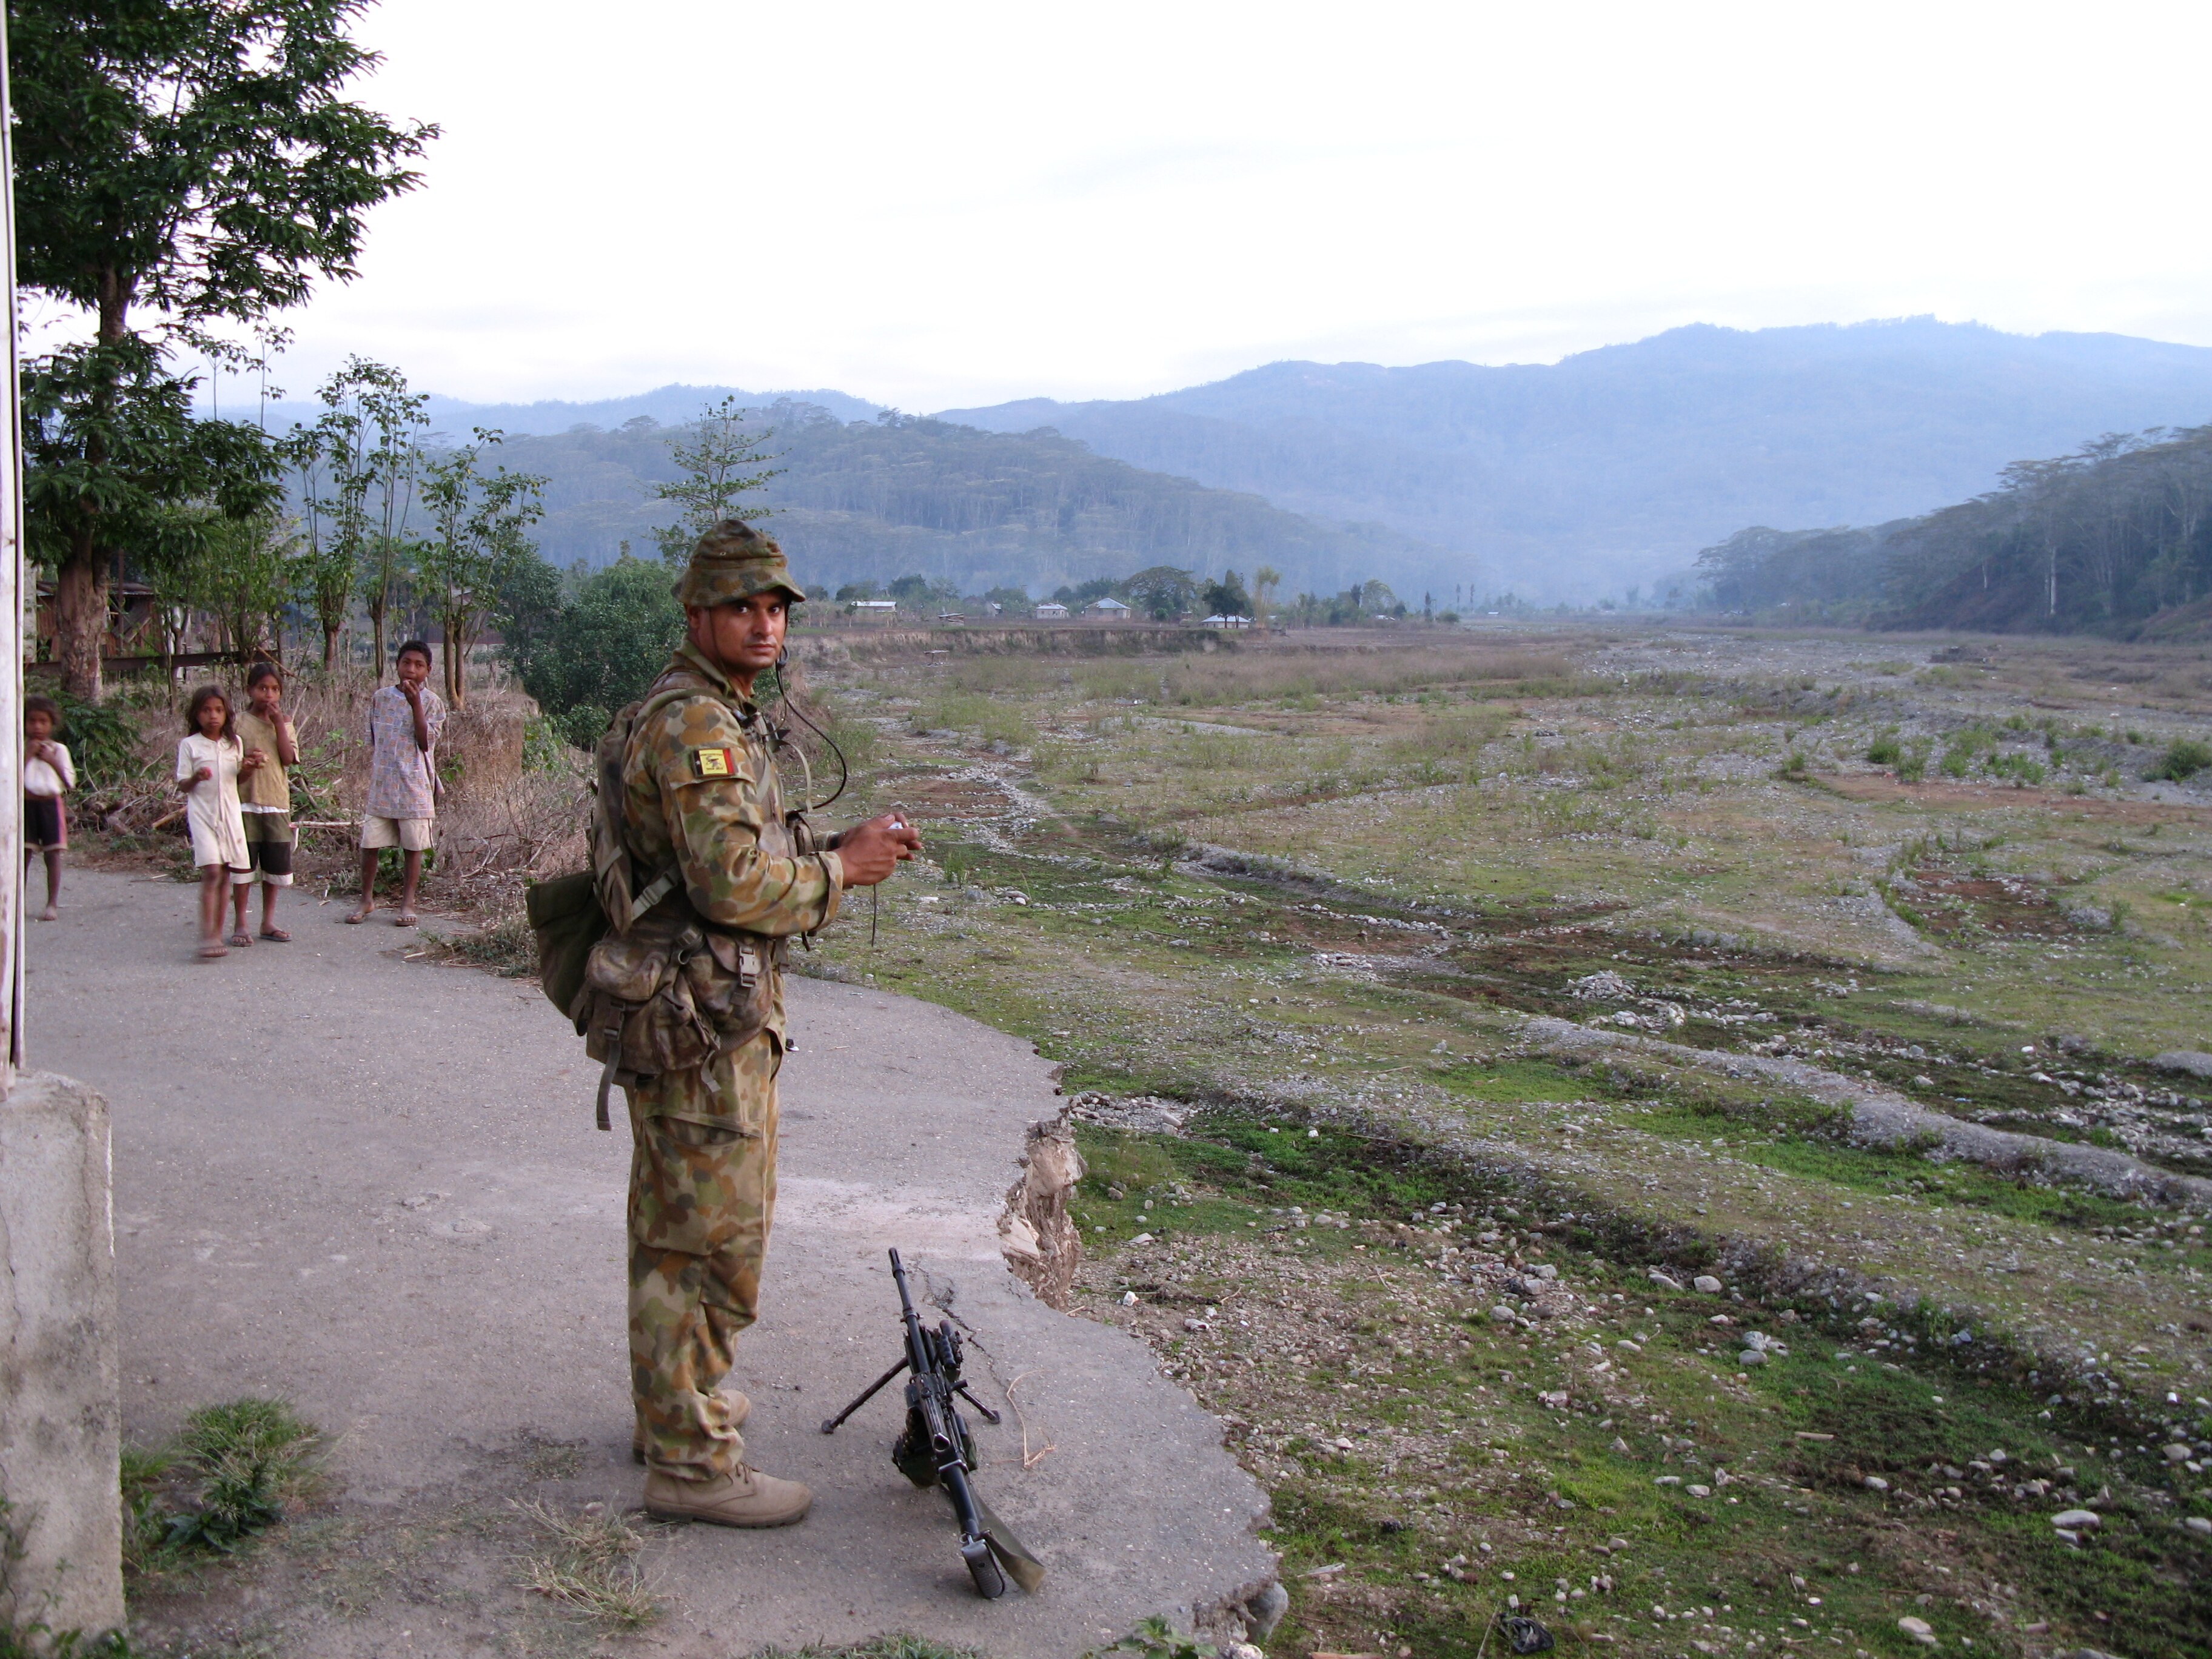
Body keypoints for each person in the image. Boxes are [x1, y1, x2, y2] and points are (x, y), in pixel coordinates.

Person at [618, 518, 919, 1528]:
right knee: (700, 1240)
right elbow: (733, 883)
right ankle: (689, 1464)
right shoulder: (694, 725)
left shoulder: (722, 712)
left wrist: (837, 843)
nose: (762, 624)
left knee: (711, 1228)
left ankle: (681, 1403)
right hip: (698, 1029)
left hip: (717, 1018)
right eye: (741, 606)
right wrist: (842, 873)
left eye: (774, 608)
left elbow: (734, 855)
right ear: (697, 613)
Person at [350, 639, 445, 926]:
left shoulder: (433, 703)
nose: (411, 670)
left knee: (412, 847)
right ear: (397, 665)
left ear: (428, 670)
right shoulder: (380, 698)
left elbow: (424, 741)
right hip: (383, 782)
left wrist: (415, 703)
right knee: (370, 844)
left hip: (414, 785)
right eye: (407, 663)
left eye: (419, 665)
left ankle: (408, 903)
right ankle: (366, 899)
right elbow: (374, 741)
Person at [175, 685, 251, 960]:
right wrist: (196, 777)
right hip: (203, 815)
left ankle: (217, 933)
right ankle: (208, 934)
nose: (213, 716)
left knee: (227, 872)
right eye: (206, 710)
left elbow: (238, 778)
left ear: (227, 713)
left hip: (230, 815)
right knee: (212, 871)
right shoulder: (190, 745)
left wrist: (250, 768)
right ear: (196, 715)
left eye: (218, 710)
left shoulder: (234, 744)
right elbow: (183, 784)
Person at [233, 663, 300, 943]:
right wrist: (247, 762)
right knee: (242, 868)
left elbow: (288, 759)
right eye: (262, 688)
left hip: (275, 804)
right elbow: (230, 758)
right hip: (244, 802)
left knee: (274, 870)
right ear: (250, 690)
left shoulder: (284, 722)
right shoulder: (238, 722)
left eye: (274, 689)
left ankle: (268, 921)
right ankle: (240, 924)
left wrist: (278, 725)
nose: (268, 695)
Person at [23, 693, 75, 922]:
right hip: (26, 805)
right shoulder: (18, 748)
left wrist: (51, 761)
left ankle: (52, 903)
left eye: (43, 722)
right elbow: (8, 780)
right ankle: (18, 901)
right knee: (23, 855)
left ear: (52, 724)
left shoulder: (59, 750)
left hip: (51, 806)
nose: (37, 727)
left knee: (53, 855)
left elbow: (69, 783)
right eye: (32, 721)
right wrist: (27, 755)